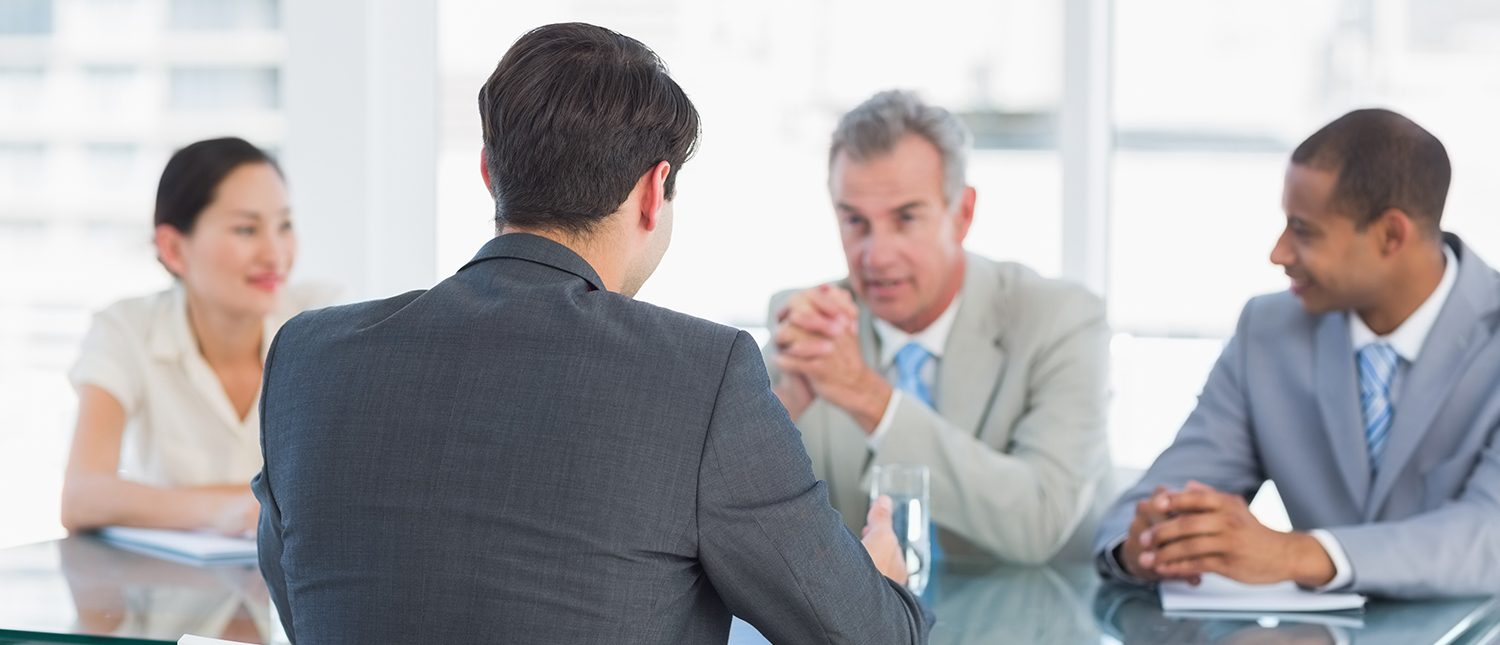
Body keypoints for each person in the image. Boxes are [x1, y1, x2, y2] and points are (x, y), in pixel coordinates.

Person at [253, 23, 929, 643]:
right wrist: (885, 580)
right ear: (652, 191)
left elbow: (305, 602)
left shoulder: (308, 356)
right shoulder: (703, 372)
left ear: (490, 172)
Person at [1094, 109, 1500, 598]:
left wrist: (1295, 553)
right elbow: (1150, 502)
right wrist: (1148, 542)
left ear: (1391, 235)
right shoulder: (1267, 332)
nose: (1278, 253)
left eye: (1304, 231)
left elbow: (1487, 536)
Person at [764, 89, 1112, 565]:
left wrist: (869, 398)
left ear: (962, 213)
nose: (876, 255)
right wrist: (783, 406)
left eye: (906, 218)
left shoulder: (1060, 319)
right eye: (855, 221)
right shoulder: (812, 322)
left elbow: (1040, 520)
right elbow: (737, 523)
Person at [62, 137, 324, 536]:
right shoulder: (127, 328)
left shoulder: (322, 319)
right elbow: (82, 497)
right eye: (246, 229)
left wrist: (176, 503)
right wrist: (227, 510)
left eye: (284, 225)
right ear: (173, 249)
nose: (276, 254)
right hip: (170, 590)